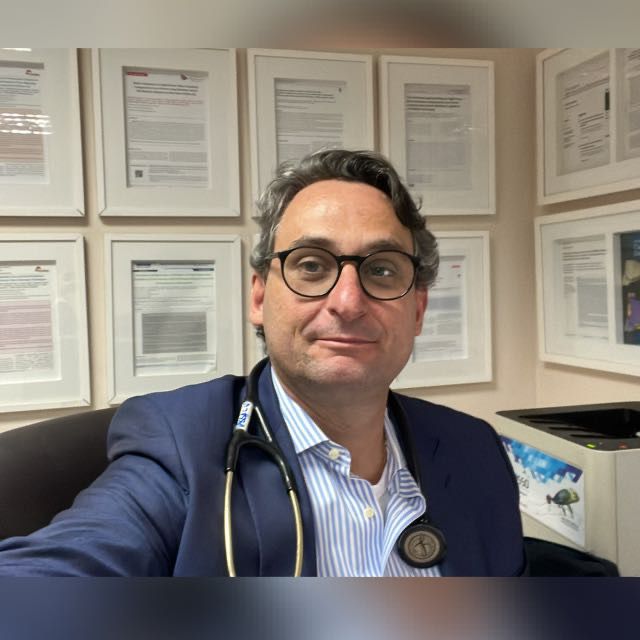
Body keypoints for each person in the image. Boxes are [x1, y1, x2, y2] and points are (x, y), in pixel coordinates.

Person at [0, 149, 525, 576]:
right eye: (312, 266)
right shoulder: (179, 445)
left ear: (418, 309)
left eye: (382, 270)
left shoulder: (474, 450)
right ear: (259, 296)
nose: (347, 301)